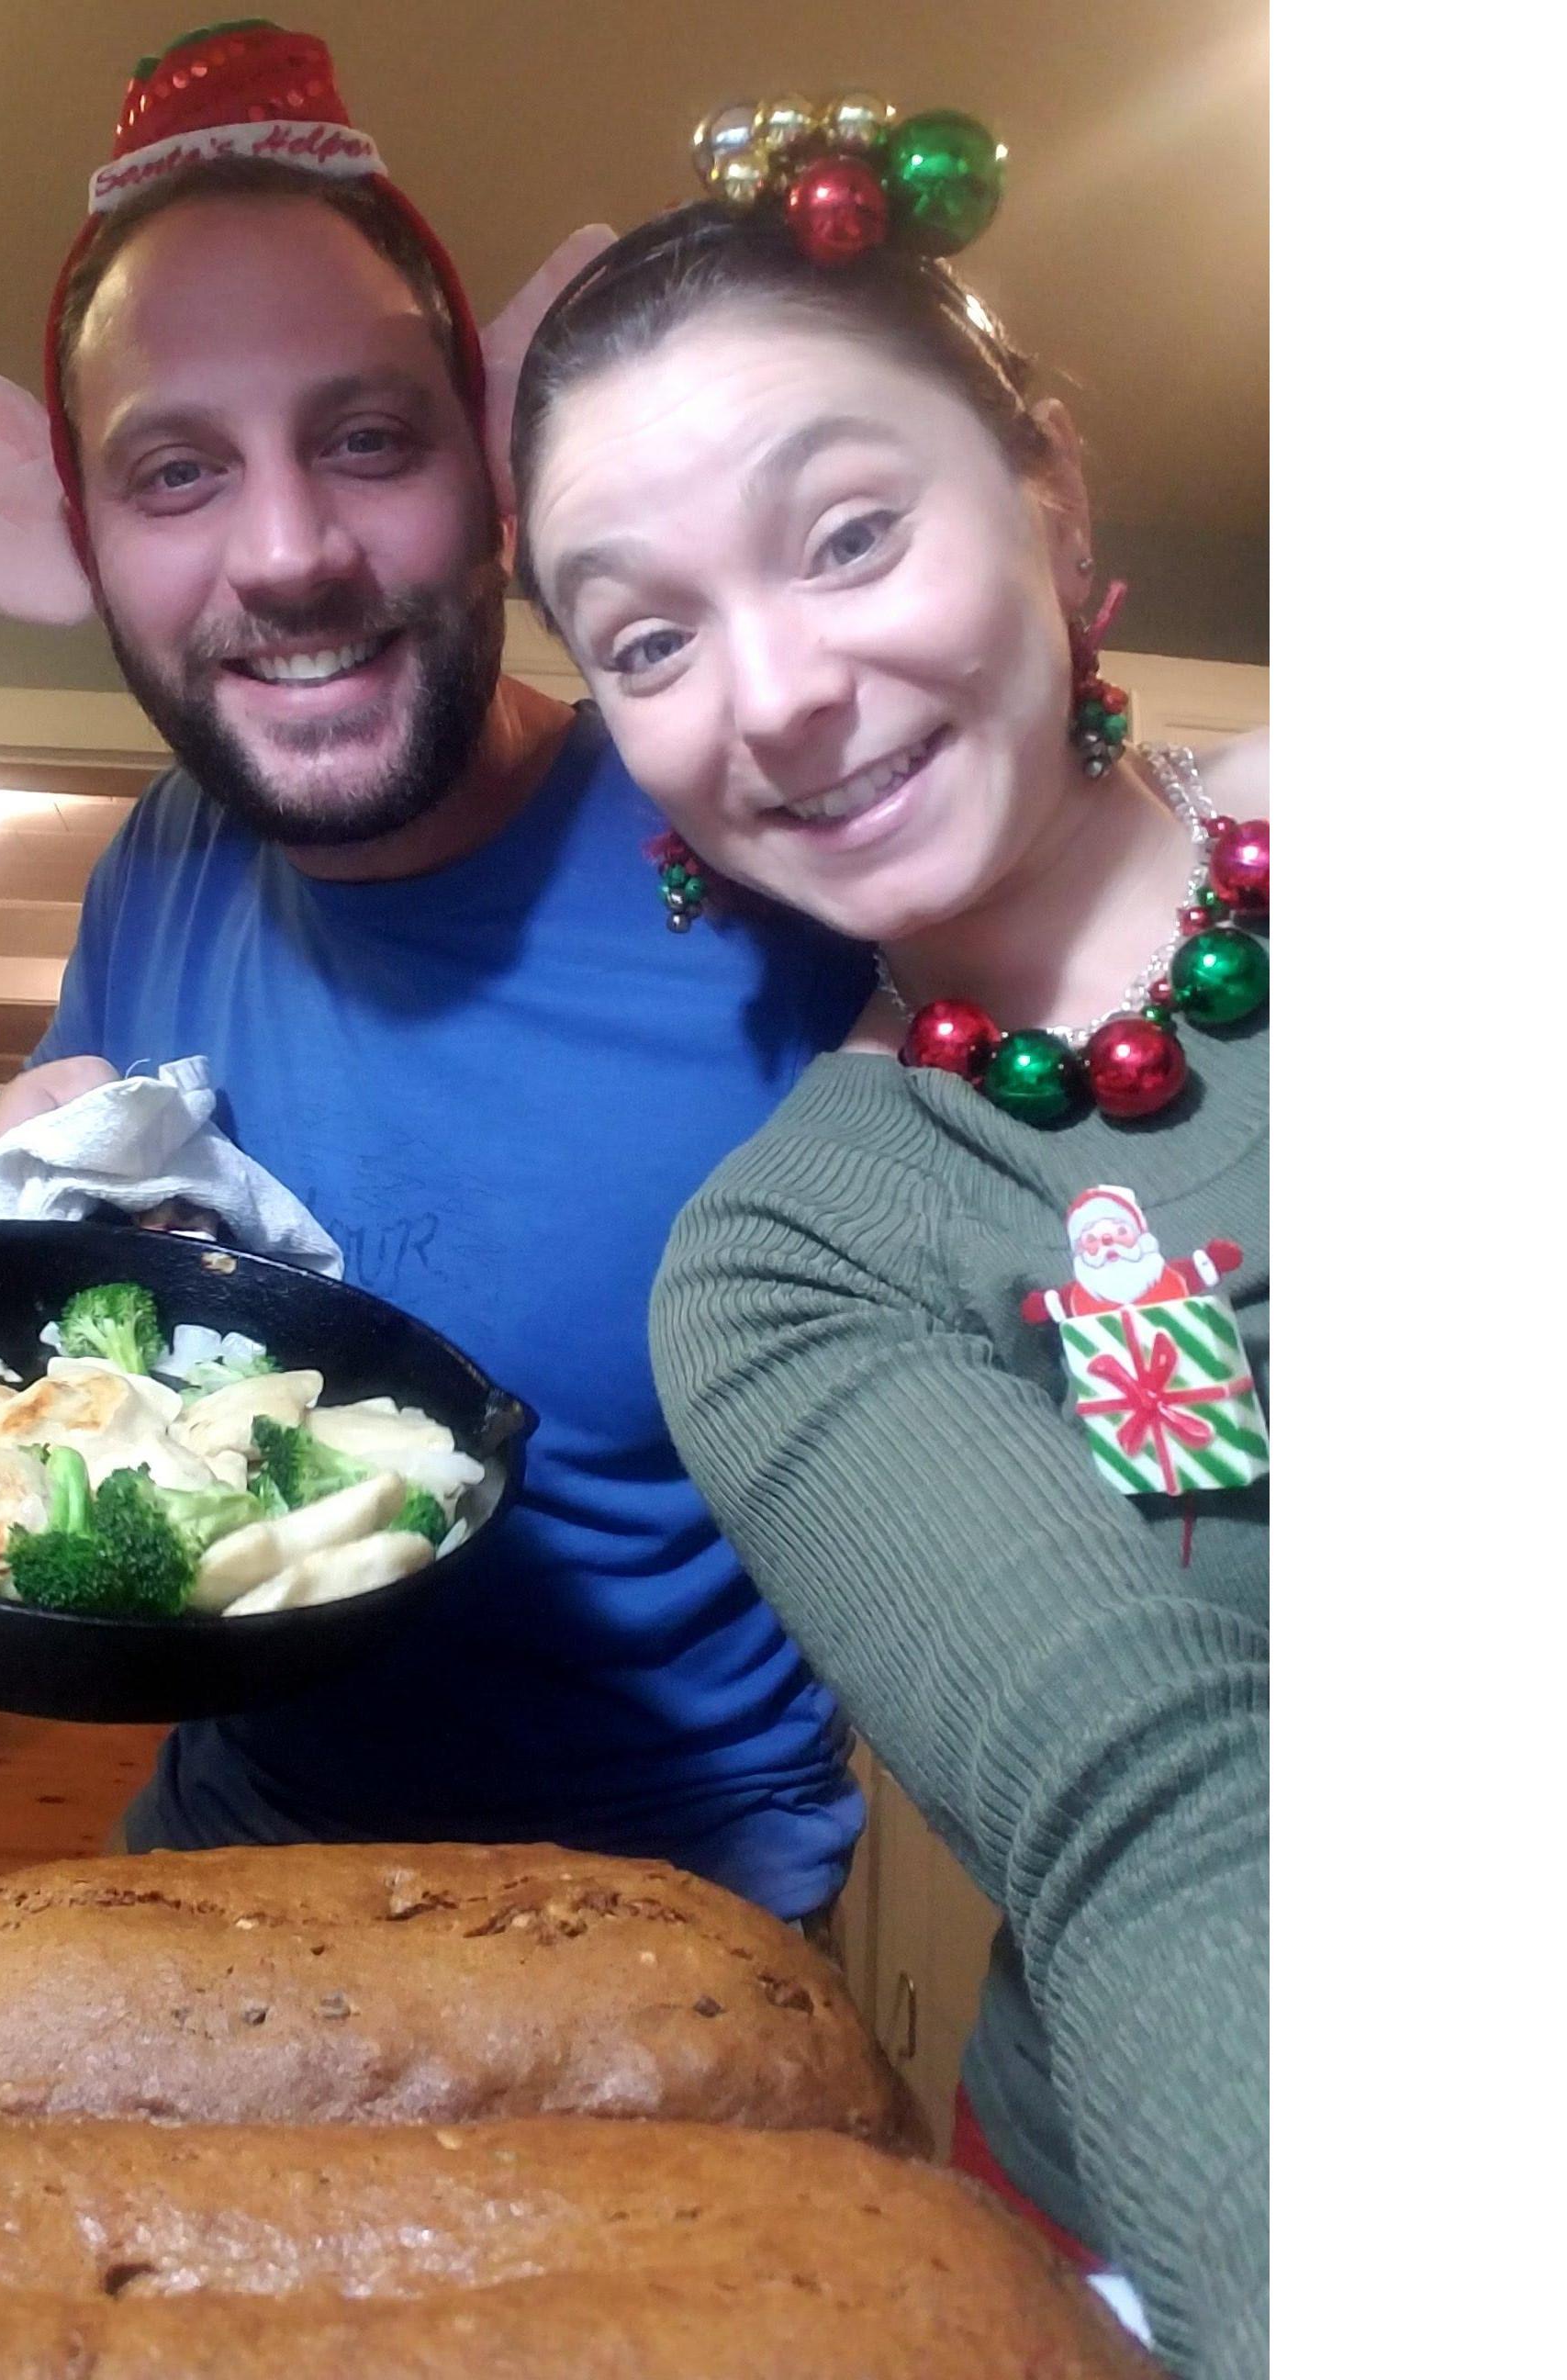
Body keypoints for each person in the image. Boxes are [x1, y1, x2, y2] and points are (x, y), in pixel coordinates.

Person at [0, 25, 874, 1923]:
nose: (289, 555)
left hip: (671, 1910)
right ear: (78, 541)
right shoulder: (160, 858)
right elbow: (97, 1267)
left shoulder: (764, 856)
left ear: (503, 473)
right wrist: (33, 1182)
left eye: (367, 439)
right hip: (225, 1848)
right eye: (177, 471)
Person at [508, 98, 1267, 2380]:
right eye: (649, 640)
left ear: (1046, 490)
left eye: (848, 533)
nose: (776, 695)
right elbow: (1160, 1807)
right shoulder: (794, 1259)